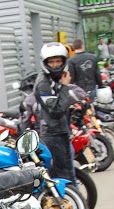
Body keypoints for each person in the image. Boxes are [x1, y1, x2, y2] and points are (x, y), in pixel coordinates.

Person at [34, 42, 77, 184]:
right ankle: (71, 204)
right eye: (51, 62)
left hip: (61, 133)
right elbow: (57, 111)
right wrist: (65, 87)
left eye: (58, 61)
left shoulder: (56, 79)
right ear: (45, 63)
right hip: (53, 136)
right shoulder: (43, 83)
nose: (56, 65)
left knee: (70, 174)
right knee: (62, 178)